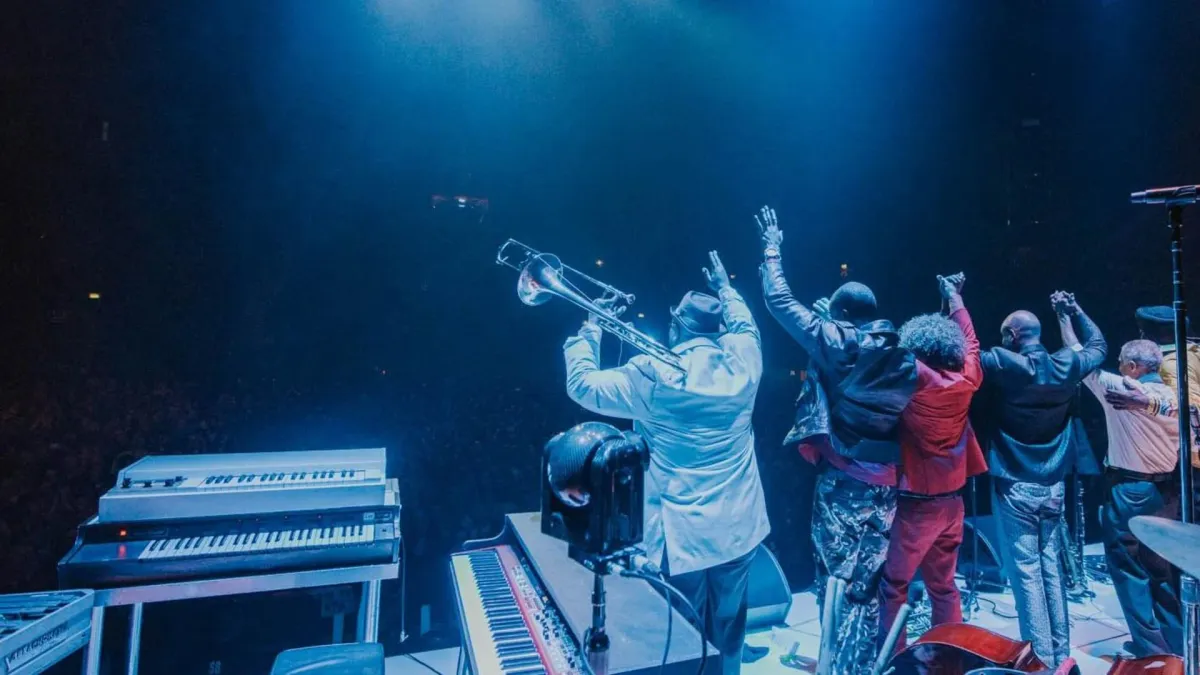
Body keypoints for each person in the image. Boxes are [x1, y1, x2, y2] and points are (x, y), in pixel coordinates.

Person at [563, 250, 769, 675]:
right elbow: (746, 326)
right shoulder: (747, 363)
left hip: (683, 539)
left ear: (676, 326)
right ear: (718, 330)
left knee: (686, 638)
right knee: (730, 626)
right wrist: (727, 289)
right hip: (739, 529)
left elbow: (581, 384)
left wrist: (591, 325)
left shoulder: (653, 375)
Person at [756, 206, 916, 675]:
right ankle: (861, 665)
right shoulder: (898, 351)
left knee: (834, 582)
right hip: (885, 487)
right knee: (867, 584)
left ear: (840, 315)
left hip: (843, 482)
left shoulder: (835, 340)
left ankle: (837, 668)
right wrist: (834, 320)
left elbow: (779, 300)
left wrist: (772, 249)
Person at [977, 291, 1106, 667]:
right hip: (1053, 483)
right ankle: (1061, 657)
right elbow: (1098, 345)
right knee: (1051, 567)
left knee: (1027, 572)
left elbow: (961, 354)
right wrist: (1073, 312)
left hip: (1015, 482)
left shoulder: (1003, 362)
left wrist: (953, 304)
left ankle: (1039, 662)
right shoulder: (1066, 364)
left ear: (1013, 336)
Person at [878, 272, 986, 652]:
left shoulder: (916, 377)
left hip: (915, 508)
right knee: (944, 586)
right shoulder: (968, 379)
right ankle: (948, 658)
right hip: (952, 504)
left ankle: (893, 661)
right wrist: (954, 298)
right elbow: (971, 342)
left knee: (894, 586)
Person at [1070, 328, 1183, 657]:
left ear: (1133, 367)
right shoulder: (1175, 396)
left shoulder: (1121, 389)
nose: (1118, 367)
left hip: (1130, 490)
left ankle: (1150, 652)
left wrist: (1065, 317)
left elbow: (1081, 359)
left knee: (1128, 567)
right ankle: (1178, 645)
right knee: (1161, 571)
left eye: (1121, 363)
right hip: (1166, 492)